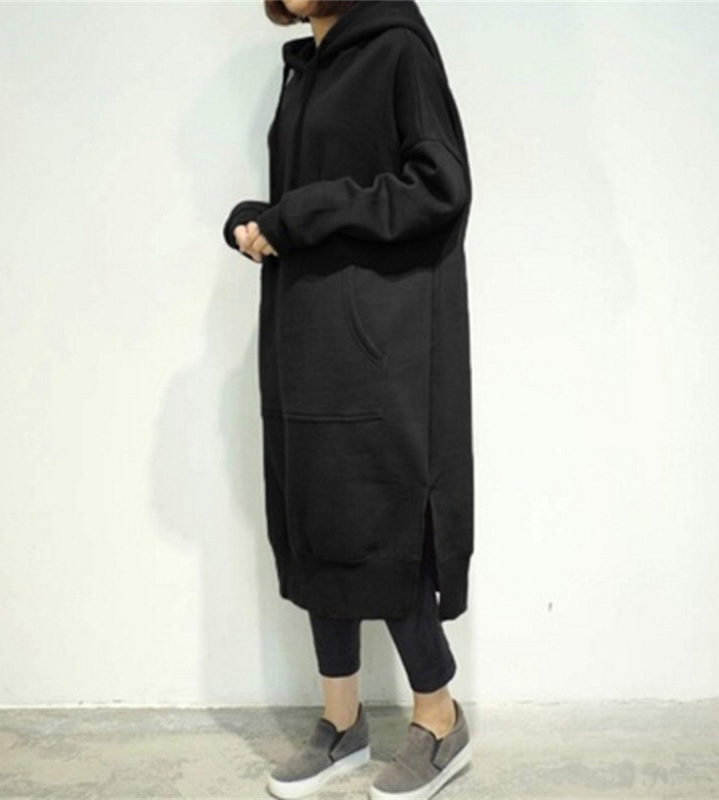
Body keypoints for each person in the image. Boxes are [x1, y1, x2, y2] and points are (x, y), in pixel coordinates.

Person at [223, 1, 475, 797]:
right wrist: (264, 220)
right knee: (316, 519)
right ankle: (342, 723)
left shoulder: (398, 50)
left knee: (383, 518)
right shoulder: (304, 71)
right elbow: (319, 204)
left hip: (379, 342)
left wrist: (303, 213)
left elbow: (440, 185)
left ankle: (440, 719)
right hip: (306, 337)